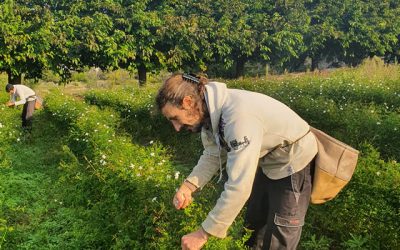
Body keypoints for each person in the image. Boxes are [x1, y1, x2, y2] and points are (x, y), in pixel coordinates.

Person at [156, 73, 318, 250]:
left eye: (175, 119)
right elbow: (212, 153)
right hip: (268, 160)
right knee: (254, 224)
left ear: (187, 102)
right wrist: (188, 186)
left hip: (293, 162)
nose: (177, 128)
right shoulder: (208, 112)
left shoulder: (237, 118)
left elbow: (239, 185)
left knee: (280, 233)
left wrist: (202, 234)